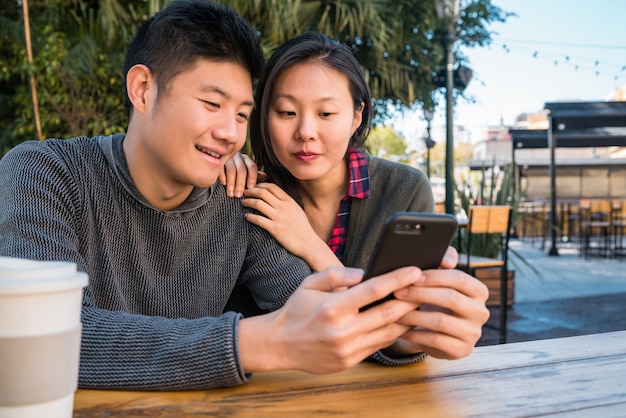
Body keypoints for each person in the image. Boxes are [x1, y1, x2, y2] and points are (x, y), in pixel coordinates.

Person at [0, 1, 479, 391]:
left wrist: (410, 326)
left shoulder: (238, 200)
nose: (230, 133)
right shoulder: (45, 175)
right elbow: (41, 337)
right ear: (143, 89)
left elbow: (317, 314)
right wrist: (255, 344)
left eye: (244, 113)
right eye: (212, 104)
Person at [230, 31, 490, 354]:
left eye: (326, 114)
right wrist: (222, 160)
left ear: (357, 116)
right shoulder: (251, 192)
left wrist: (309, 244)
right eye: (286, 112)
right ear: (264, 116)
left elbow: (404, 322)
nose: (305, 132)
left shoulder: (405, 191)